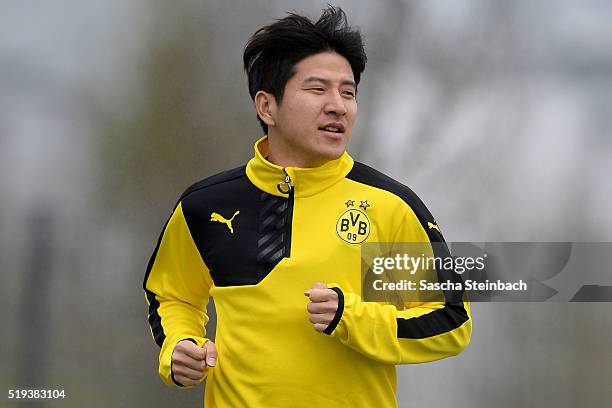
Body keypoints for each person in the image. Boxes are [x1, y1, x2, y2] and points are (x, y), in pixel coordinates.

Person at [144, 5, 471, 407]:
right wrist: (179, 347)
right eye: (317, 89)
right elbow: (173, 295)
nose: (338, 106)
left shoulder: (387, 206)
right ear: (267, 107)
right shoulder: (207, 205)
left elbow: (450, 321)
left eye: (348, 92)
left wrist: (352, 317)